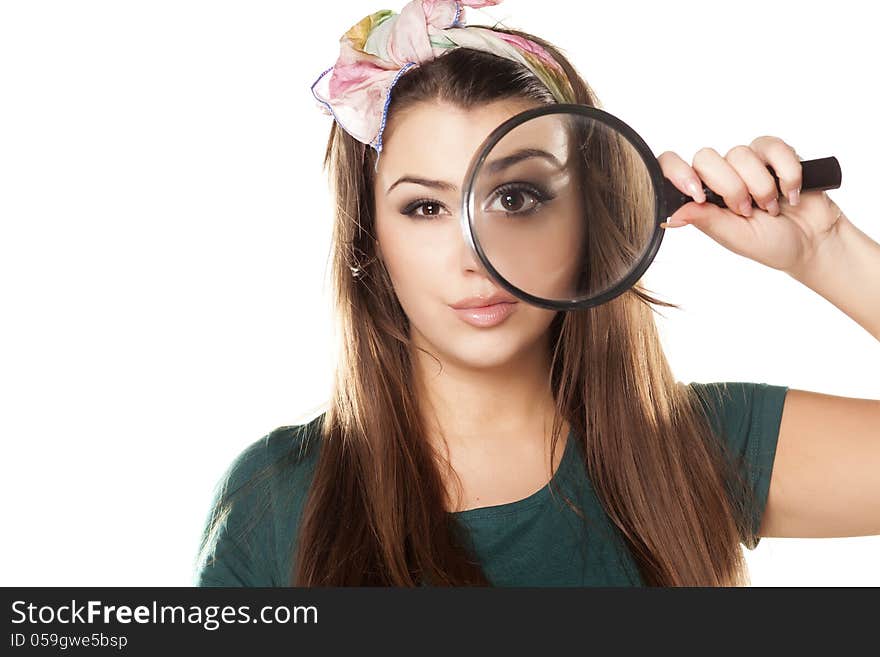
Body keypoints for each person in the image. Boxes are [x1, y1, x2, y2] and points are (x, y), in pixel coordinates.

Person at [193, 0, 880, 587]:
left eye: (516, 196)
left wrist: (828, 251)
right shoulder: (276, 500)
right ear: (370, 240)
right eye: (426, 209)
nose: (475, 256)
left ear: (586, 216)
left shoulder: (696, 445)